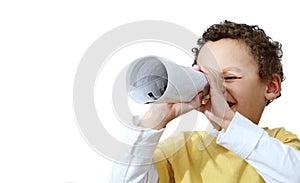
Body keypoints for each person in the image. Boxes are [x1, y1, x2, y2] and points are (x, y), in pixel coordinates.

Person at [110, 20, 300, 182]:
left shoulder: (281, 143)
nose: (216, 88)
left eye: (229, 77)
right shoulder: (181, 150)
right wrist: (155, 118)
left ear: (271, 87)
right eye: (208, 79)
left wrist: (227, 121)